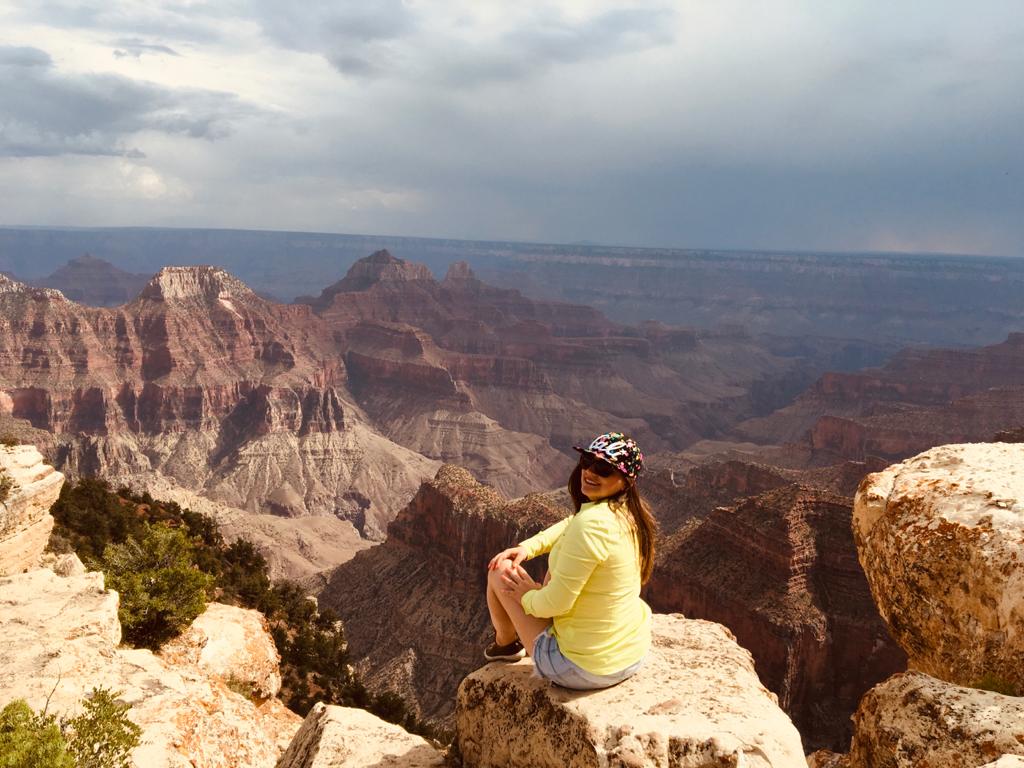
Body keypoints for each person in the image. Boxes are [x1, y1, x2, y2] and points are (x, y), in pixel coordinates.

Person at [484, 431, 657, 690]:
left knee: (501, 570)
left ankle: (505, 642)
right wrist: (527, 547)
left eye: (604, 469)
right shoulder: (628, 513)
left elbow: (555, 604)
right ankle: (505, 641)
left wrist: (526, 596)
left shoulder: (590, 525)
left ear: (625, 481)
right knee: (553, 568)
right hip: (629, 655)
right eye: (587, 461)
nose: (590, 471)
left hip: (582, 668)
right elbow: (571, 523)